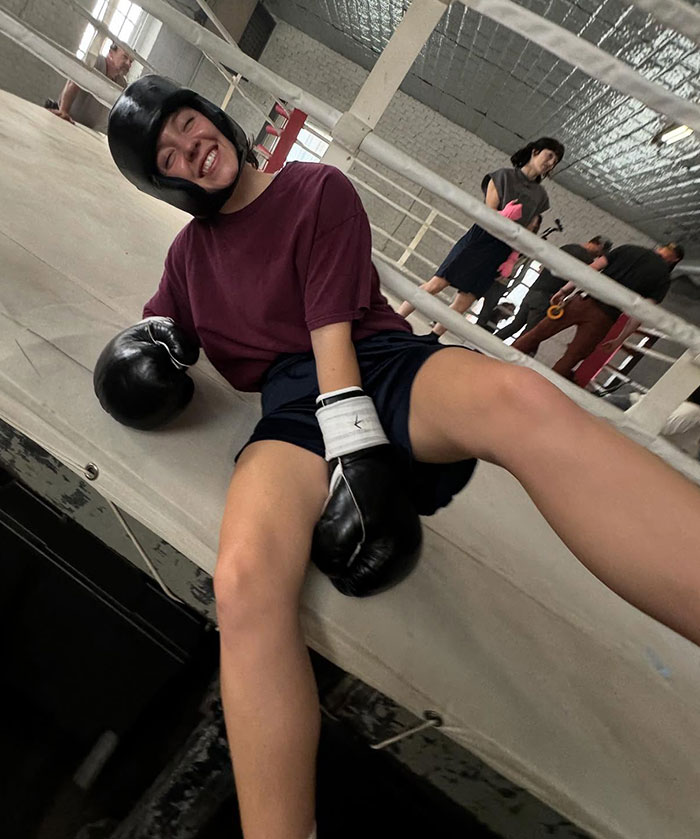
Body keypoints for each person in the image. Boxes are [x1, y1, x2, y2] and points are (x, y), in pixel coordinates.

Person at [96, 77, 700, 839]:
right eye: (171, 155)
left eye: (190, 126)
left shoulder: (315, 188)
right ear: (168, 179)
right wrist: (149, 347)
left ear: (214, 116)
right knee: (244, 581)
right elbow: (166, 323)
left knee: (527, 405)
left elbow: (329, 325)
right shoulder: (189, 255)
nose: (193, 149)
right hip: (290, 409)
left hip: (379, 360)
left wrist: (358, 443)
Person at [397, 136, 564, 336]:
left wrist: (512, 257)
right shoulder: (502, 176)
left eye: (555, 161)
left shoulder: (541, 196)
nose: (551, 163)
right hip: (481, 238)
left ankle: (431, 339)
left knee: (464, 302)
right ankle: (395, 319)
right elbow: (487, 212)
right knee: (437, 284)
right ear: (535, 151)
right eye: (550, 155)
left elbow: (528, 230)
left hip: (501, 249)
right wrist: (503, 216)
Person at [511, 242, 684, 381]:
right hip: (604, 317)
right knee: (571, 357)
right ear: (674, 260)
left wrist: (565, 290)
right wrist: (620, 339)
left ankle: (498, 361)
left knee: (536, 334)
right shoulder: (663, 278)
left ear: (661, 248)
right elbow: (642, 313)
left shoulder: (629, 249)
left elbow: (590, 269)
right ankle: (540, 393)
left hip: (583, 300)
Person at [494, 236, 611, 342]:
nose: (598, 257)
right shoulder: (586, 259)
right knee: (529, 334)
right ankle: (510, 359)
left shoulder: (568, 246)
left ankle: (486, 346)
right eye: (599, 253)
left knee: (515, 325)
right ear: (598, 245)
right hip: (546, 296)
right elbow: (587, 277)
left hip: (533, 290)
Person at [474, 213, 543, 332]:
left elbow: (523, 270)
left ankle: (473, 339)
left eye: (534, 225)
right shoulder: (512, 234)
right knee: (465, 299)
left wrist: (511, 286)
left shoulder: (529, 247)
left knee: (486, 313)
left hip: (503, 281)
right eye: (530, 222)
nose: (531, 226)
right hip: (490, 273)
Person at [45, 42, 132, 131]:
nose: (128, 64)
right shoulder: (95, 62)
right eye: (125, 57)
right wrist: (63, 110)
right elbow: (73, 83)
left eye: (131, 61)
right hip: (66, 118)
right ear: (111, 53)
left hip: (84, 129)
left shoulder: (122, 84)